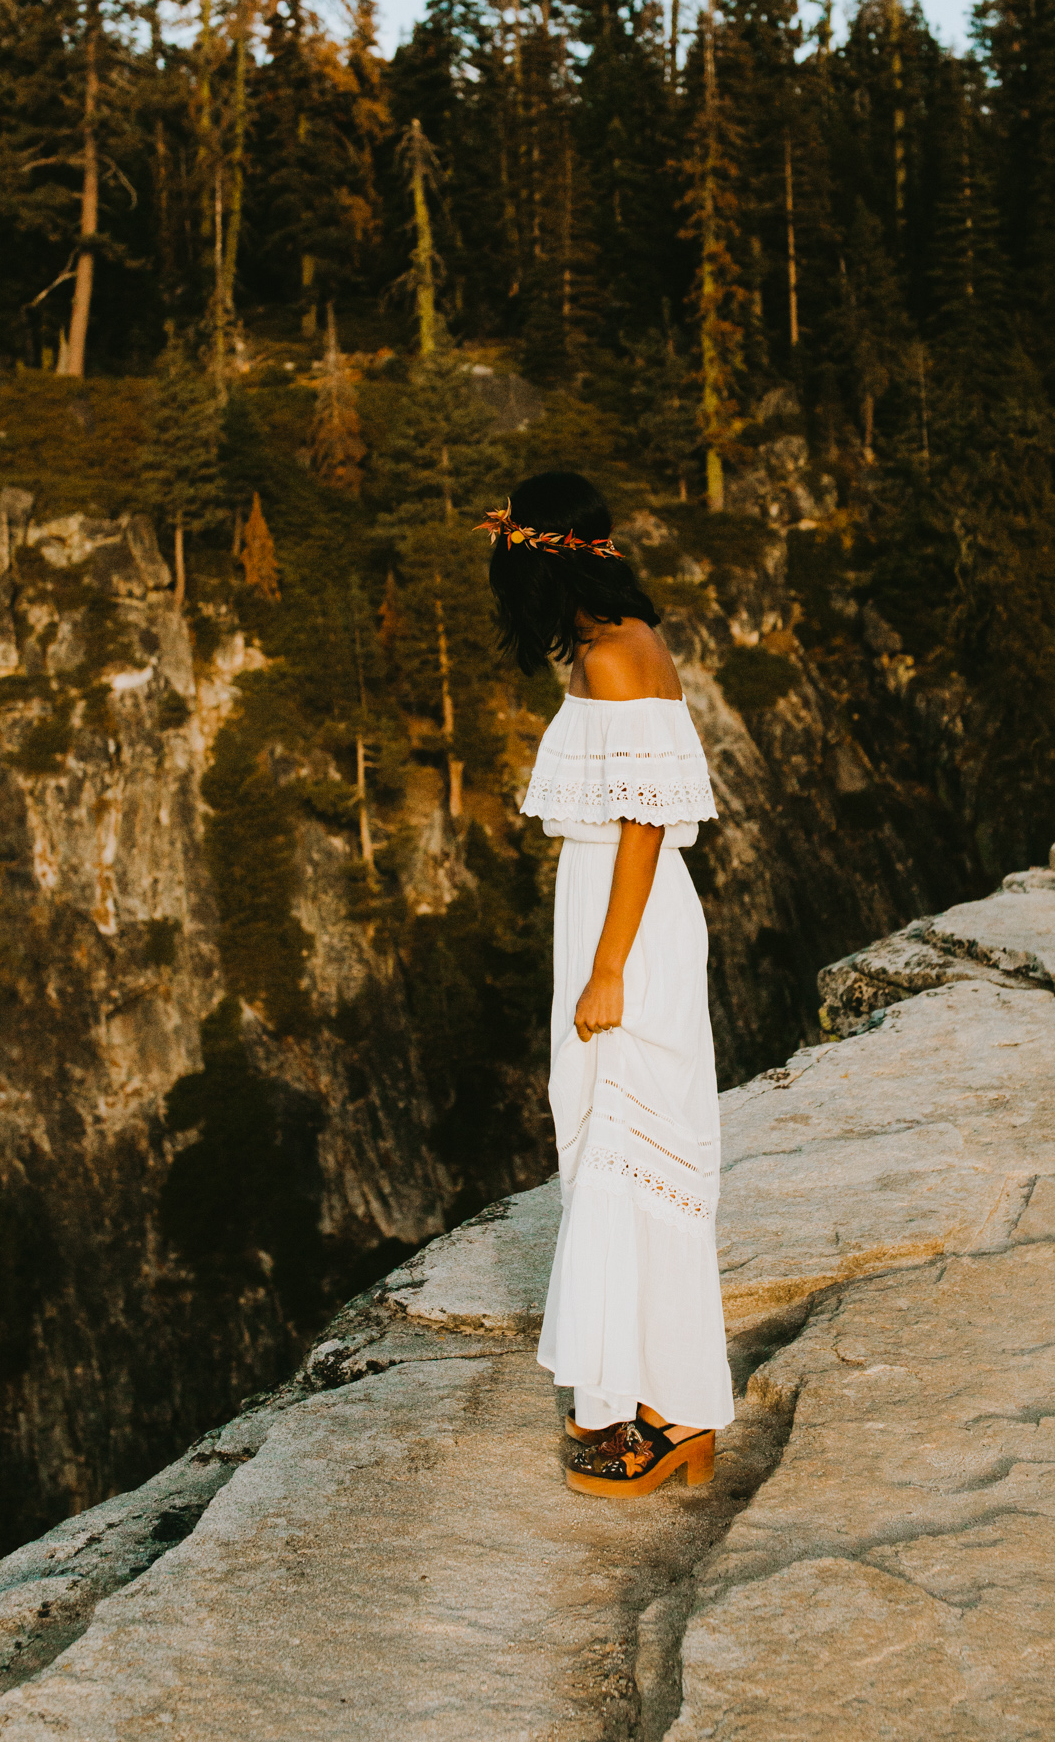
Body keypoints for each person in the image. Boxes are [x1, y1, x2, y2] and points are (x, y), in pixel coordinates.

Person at [481, 470, 734, 1498]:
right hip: (610, 908)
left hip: (623, 921)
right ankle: (667, 1404)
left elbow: (639, 822)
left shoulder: (614, 654)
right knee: (616, 1144)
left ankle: (657, 1414)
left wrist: (606, 967)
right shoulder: (617, 639)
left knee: (628, 1146)